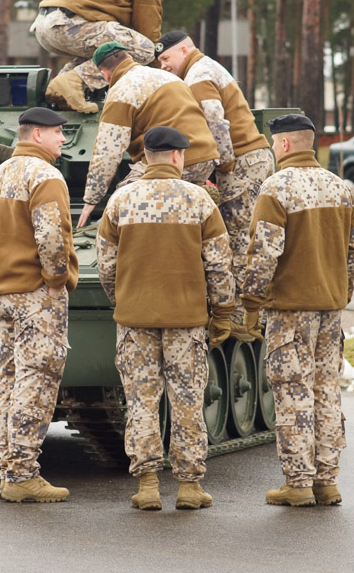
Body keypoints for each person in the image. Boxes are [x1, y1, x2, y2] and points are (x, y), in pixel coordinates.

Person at [96, 126, 235, 511]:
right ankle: (190, 487)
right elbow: (219, 266)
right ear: (178, 156)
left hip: (135, 320)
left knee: (141, 401)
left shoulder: (120, 202)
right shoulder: (200, 201)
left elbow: (106, 267)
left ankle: (147, 484)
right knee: (188, 400)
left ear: (144, 156)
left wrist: (123, 300)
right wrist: (222, 312)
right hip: (186, 320)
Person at [238, 114, 354, 508]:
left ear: (285, 144)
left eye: (275, 144)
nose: (274, 150)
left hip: (290, 311)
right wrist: (340, 292)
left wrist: (251, 304)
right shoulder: (341, 189)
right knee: (327, 391)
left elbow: (264, 255)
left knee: (292, 393)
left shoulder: (276, 188)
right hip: (329, 310)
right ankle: (327, 481)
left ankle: (298, 482)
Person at [0, 106, 79, 503]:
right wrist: (56, 280)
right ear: (37, 135)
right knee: (36, 380)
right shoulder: (46, 176)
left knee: (10, 379)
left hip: (2, 290)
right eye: (57, 133)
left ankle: (9, 468)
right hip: (37, 293)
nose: (62, 140)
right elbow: (53, 237)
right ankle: (23, 474)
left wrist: (1, 276)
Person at [155, 30, 275, 337]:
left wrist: (222, 165)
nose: (163, 66)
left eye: (166, 58)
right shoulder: (202, 68)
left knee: (237, 237)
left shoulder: (197, 74)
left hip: (242, 160)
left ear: (184, 50)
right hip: (248, 157)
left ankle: (239, 315)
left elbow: (215, 122)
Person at [76, 41, 218, 228]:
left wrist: (91, 200)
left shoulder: (121, 90)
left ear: (105, 74)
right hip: (204, 159)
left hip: (171, 160)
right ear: (130, 58)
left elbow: (107, 152)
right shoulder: (169, 77)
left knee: (125, 201)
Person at [31, 0, 185, 114]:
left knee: (108, 50)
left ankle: (60, 93)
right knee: (145, 50)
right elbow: (148, 34)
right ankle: (74, 80)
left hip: (46, 25)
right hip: (67, 24)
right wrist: (168, 77)